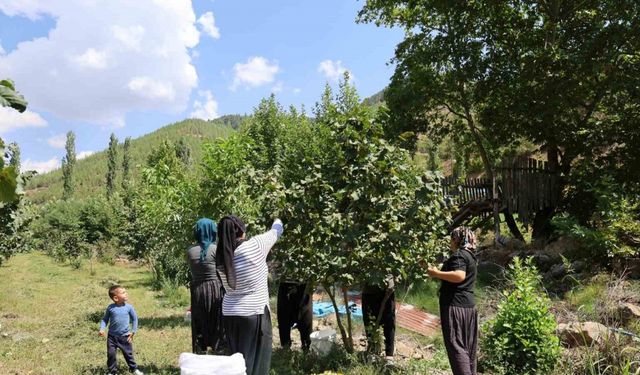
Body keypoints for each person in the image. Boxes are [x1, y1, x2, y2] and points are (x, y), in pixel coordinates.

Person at [216, 216, 283, 375]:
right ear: (242, 231)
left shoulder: (221, 255)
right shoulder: (255, 246)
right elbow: (277, 230)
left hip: (229, 313)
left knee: (236, 362)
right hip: (253, 312)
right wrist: (277, 217)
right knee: (256, 364)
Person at [426, 227, 478, 375]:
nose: (450, 242)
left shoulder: (460, 255)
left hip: (455, 306)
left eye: (451, 238)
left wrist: (437, 273)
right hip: (469, 307)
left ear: (457, 239)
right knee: (468, 346)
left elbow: (459, 275)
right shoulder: (471, 256)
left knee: (456, 345)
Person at [187, 218, 225, 354]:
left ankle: (200, 350)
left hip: (197, 289)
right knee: (217, 320)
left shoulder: (190, 251)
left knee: (200, 320)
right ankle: (218, 349)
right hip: (215, 288)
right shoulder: (216, 249)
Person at [99, 285, 144, 375]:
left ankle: (133, 369)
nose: (126, 294)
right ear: (116, 298)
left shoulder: (129, 307)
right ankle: (112, 371)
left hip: (125, 336)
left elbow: (135, 319)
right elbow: (105, 319)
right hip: (111, 337)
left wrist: (133, 332)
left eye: (125, 292)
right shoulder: (110, 308)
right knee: (111, 354)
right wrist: (102, 329)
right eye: (123, 293)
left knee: (128, 354)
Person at [362, 275, 396, 362]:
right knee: (369, 321)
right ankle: (373, 352)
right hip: (369, 289)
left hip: (388, 289)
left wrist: (396, 279)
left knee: (389, 322)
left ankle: (389, 356)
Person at [276, 280, 312, 351]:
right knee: (284, 319)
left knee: (305, 319)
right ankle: (285, 348)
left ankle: (306, 348)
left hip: (303, 283)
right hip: (285, 282)